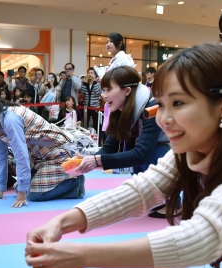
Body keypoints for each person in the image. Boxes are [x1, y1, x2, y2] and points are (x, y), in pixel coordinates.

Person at [25, 43, 222, 268]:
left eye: (179, 103)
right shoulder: (200, 141)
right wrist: (63, 222)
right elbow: (146, 187)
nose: (163, 118)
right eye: (161, 104)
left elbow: (203, 236)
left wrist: (82, 256)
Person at [67, 66, 170, 212]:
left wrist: (97, 161)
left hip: (172, 152)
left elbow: (142, 154)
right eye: (103, 90)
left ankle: (172, 201)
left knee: (150, 156)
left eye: (109, 90)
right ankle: (156, 199)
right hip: (149, 152)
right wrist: (88, 160)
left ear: (127, 90)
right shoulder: (121, 109)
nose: (104, 95)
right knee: (139, 167)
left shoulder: (152, 108)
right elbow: (109, 148)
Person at [0, 86, 85, 207]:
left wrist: (23, 194)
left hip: (58, 156)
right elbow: (0, 156)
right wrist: (0, 189)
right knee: (19, 187)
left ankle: (75, 184)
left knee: (33, 194)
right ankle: (61, 179)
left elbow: (21, 155)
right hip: (40, 159)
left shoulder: (10, 119)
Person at [98, 33, 135, 138]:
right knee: (110, 132)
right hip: (111, 100)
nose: (108, 44)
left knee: (116, 133)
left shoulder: (124, 59)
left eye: (111, 41)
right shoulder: (114, 60)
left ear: (120, 43)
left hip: (119, 100)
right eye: (107, 42)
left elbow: (128, 80)